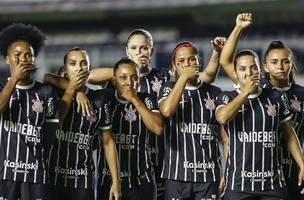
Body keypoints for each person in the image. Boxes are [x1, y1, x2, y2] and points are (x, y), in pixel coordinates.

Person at [216, 13, 304, 199]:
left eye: (285, 61)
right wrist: (239, 28)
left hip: (286, 173)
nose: (280, 66)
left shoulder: (288, 95)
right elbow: (225, 61)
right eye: (274, 62)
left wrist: (302, 163)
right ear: (265, 67)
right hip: (246, 177)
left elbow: (290, 133)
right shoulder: (250, 88)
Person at [45, 47, 121, 200]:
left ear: (90, 69)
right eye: (73, 63)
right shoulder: (54, 94)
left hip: (83, 180)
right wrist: (76, 91)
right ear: (65, 69)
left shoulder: (98, 100)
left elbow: (107, 142)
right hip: (52, 177)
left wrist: (116, 181)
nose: (79, 68)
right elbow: (47, 77)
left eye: (83, 64)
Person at [0, 23, 59, 200]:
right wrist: (14, 80)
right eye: (17, 55)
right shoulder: (2, 87)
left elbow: (50, 135)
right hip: (5, 173)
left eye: (28, 55)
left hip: (35, 174)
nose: (23, 59)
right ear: (7, 59)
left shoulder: (46, 93)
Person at [157, 41, 223, 200]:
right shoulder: (167, 88)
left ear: (199, 61)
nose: (187, 64)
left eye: (192, 59)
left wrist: (225, 172)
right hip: (177, 174)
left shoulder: (215, 92)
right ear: (174, 66)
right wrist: (184, 78)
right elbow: (166, 111)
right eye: (181, 61)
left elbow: (225, 135)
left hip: (208, 174)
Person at [98, 57, 163, 200]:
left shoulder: (147, 99)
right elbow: (88, 76)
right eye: (123, 77)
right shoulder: (105, 99)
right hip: (109, 180)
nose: (129, 82)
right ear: (114, 81)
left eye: (134, 78)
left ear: (139, 80)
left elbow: (158, 128)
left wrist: (134, 99)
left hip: (141, 181)